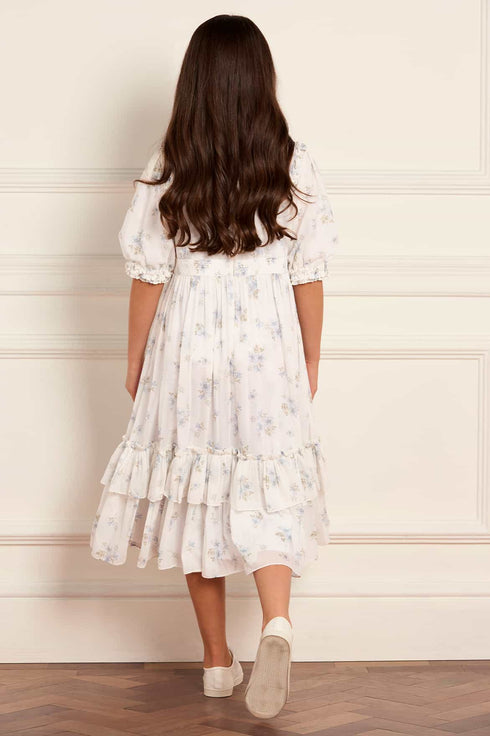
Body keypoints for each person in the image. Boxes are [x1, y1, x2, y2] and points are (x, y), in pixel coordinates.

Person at [89, 13, 338, 720]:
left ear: (193, 83)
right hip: (268, 353)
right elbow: (308, 274)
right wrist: (310, 356)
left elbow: (149, 274)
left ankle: (216, 663)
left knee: (196, 492)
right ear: (262, 79)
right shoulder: (290, 160)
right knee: (266, 488)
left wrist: (135, 359)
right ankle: (277, 623)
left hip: (187, 353)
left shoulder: (172, 162)